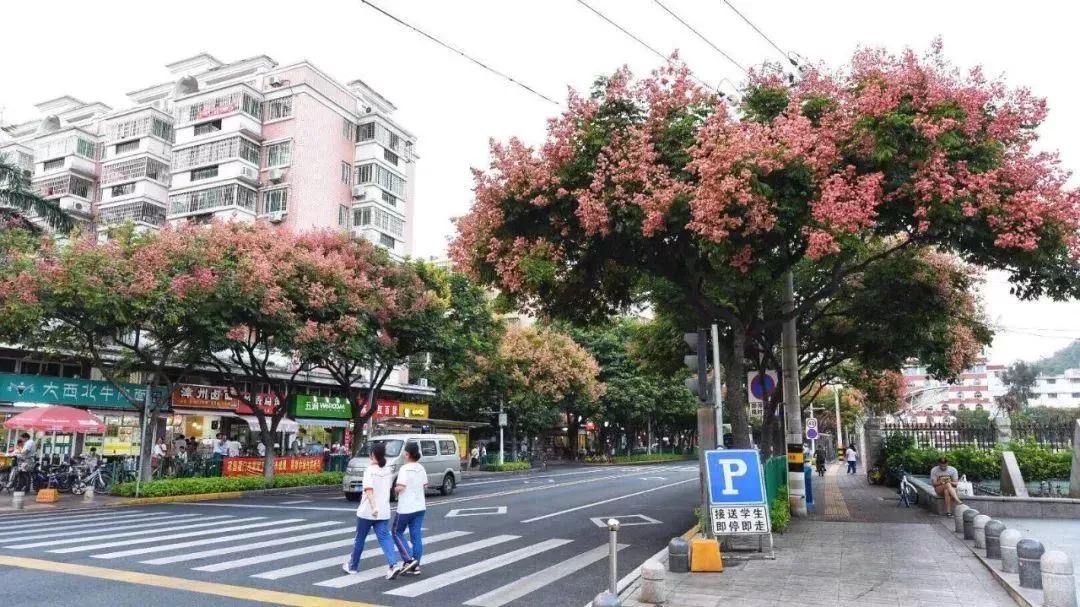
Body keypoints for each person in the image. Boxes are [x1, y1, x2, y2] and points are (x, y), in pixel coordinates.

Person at [343, 442, 405, 579]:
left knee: (360, 538)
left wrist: (373, 507)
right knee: (385, 538)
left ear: (372, 455)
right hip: (383, 510)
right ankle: (393, 565)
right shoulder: (387, 470)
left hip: (367, 511)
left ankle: (353, 566)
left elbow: (369, 490)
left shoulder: (369, 470)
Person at [393, 442, 426, 576]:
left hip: (406, 507)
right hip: (420, 507)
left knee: (396, 532)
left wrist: (394, 490)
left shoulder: (404, 469)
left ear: (407, 454)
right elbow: (425, 486)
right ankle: (416, 565)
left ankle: (409, 559)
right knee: (416, 535)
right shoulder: (421, 468)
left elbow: (401, 487)